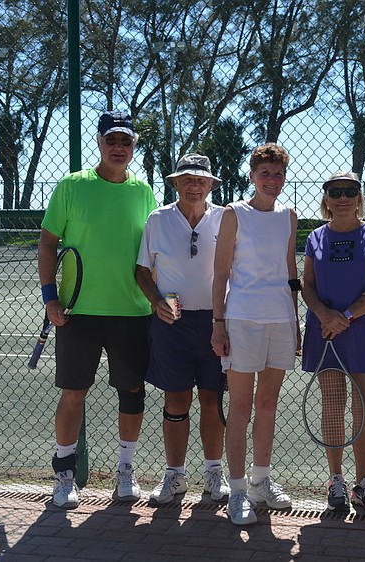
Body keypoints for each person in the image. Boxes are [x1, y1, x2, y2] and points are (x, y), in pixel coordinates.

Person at [39, 110, 157, 509]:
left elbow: (152, 252)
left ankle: (126, 471)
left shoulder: (143, 192)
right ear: (100, 143)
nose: (118, 148)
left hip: (132, 312)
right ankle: (64, 474)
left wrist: (160, 297)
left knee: (133, 391)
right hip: (78, 313)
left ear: (134, 146)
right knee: (74, 393)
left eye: (126, 141)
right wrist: (50, 297)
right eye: (112, 140)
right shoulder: (72, 186)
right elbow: (47, 243)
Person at [210, 143, 299, 525]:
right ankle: (238, 490)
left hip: (280, 321)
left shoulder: (289, 216)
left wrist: (295, 323)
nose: (272, 180)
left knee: (267, 406)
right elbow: (221, 273)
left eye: (278, 174)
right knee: (241, 408)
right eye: (265, 174)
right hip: (242, 320)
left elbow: (291, 272)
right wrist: (218, 323)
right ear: (252, 176)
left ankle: (261, 481)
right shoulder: (234, 213)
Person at [135, 154, 231, 505]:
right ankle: (175, 475)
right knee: (176, 398)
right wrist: (155, 301)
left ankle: (214, 473)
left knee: (211, 398)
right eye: (187, 179)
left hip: (216, 324)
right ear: (175, 183)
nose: (194, 185)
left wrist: (225, 319)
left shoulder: (225, 218)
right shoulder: (157, 219)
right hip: (171, 324)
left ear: (210, 185)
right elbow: (142, 271)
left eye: (201, 180)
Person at [300, 171, 365, 515]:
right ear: (326, 198)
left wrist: (348, 316)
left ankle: (362, 483)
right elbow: (307, 286)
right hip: (324, 332)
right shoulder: (315, 238)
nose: (342, 198)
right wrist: (325, 315)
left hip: (363, 330)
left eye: (350, 192)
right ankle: (335, 480)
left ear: (358, 198)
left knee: (364, 408)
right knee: (333, 405)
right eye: (335, 192)